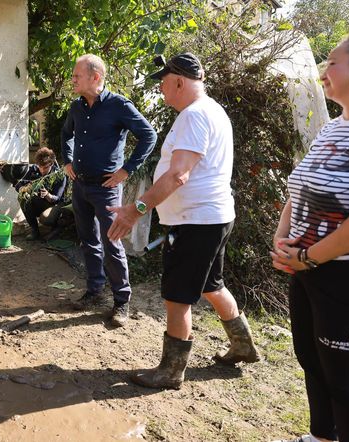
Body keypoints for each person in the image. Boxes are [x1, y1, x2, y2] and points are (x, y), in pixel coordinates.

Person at [107, 52, 260, 388]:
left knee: (177, 296)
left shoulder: (194, 115)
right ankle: (243, 344)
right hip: (214, 217)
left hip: (196, 222)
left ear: (179, 80)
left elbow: (178, 175)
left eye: (163, 82)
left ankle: (171, 370)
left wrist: (137, 209)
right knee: (212, 285)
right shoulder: (212, 110)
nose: (161, 90)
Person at [269, 32, 349, 442]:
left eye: (332, 62)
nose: (322, 72)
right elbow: (299, 188)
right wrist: (283, 241)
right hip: (307, 269)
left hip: (347, 277)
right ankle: (322, 437)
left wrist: (309, 256)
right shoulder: (332, 128)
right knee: (313, 362)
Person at [61, 54, 156, 327]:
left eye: (77, 75)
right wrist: (67, 161)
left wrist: (127, 170)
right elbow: (66, 134)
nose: (73, 79)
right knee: (88, 240)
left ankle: (121, 302)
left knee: (111, 241)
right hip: (80, 184)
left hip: (106, 188)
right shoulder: (77, 107)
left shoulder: (118, 106)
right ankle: (93, 291)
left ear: (96, 77)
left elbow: (148, 135)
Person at [14, 147, 67, 240]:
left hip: (55, 204)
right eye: (40, 167)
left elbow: (57, 198)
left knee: (46, 218)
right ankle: (34, 230)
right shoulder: (34, 169)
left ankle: (57, 226)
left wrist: (48, 195)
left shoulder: (59, 175)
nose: (42, 170)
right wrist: (24, 189)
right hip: (39, 202)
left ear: (51, 163)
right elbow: (19, 184)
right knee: (23, 198)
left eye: (45, 167)